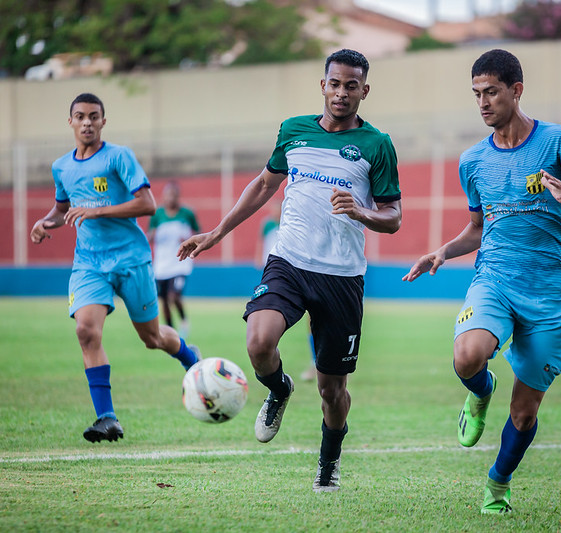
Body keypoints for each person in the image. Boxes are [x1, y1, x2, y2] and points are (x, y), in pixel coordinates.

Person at [403, 49, 561, 514]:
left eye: (492, 92)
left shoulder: (560, 142)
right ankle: (481, 392)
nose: (482, 102)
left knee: (525, 412)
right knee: (467, 357)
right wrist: (443, 251)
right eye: (476, 94)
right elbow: (478, 229)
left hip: (554, 292)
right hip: (495, 279)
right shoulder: (472, 161)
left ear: (516, 90)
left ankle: (497, 486)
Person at [178, 49, 402, 492]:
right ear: (323, 85)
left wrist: (360, 212)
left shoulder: (377, 145)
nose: (341, 92)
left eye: (351, 85)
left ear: (364, 90)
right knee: (259, 342)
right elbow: (264, 184)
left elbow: (393, 217)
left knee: (331, 391)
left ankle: (328, 464)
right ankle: (278, 390)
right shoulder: (293, 131)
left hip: (341, 277)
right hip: (289, 262)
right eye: (334, 83)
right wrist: (216, 234)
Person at [30, 92, 201, 444]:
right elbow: (63, 209)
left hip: (131, 260)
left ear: (103, 121)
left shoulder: (119, 157)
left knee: (152, 338)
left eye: (94, 116)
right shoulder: (61, 167)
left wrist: (95, 211)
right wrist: (45, 223)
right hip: (89, 263)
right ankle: (107, 418)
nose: (87, 122)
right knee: (86, 332)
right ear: (71, 122)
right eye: (80, 116)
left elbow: (147, 204)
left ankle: (189, 356)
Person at [257, 202, 318, 383]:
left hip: (306, 271)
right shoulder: (269, 224)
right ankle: (275, 370)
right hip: (278, 274)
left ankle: (316, 363)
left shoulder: (295, 224)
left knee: (314, 319)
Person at [146, 181, 200, 340]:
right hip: (162, 265)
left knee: (173, 296)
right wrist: (152, 235)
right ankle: (170, 331)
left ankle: (184, 321)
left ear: (178, 196)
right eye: (168, 195)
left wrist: (189, 240)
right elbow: (150, 235)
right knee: (163, 300)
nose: (170, 198)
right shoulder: (157, 215)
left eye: (173, 195)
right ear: (164, 196)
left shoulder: (187, 214)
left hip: (180, 263)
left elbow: (198, 232)